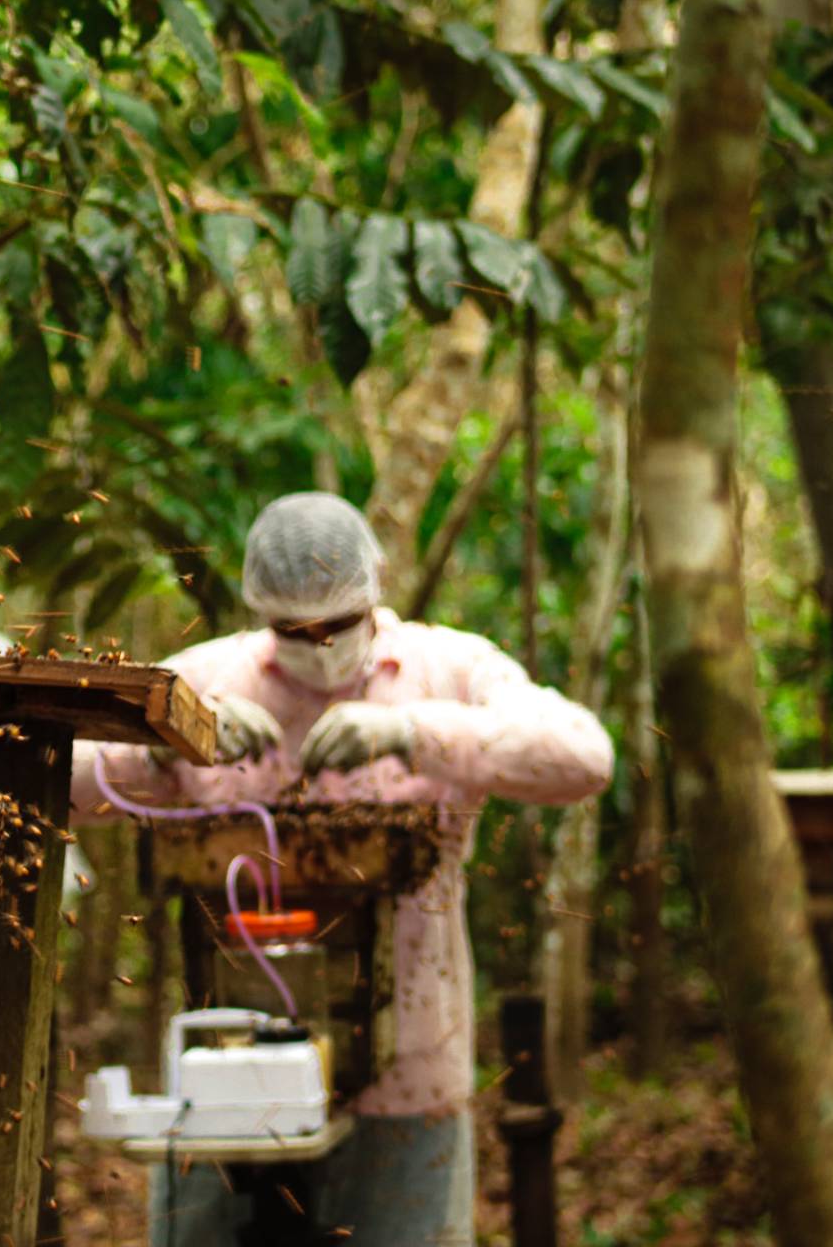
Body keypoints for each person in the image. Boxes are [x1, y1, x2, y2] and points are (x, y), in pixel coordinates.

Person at [75, 492, 613, 1246]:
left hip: (407, 1079)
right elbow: (55, 773)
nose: (320, 643)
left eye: (338, 624)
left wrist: (414, 733)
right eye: (296, 629)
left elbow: (584, 756)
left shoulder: (444, 668)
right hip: (223, 1086)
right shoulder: (207, 676)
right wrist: (173, 734)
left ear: (375, 591)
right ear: (261, 612)